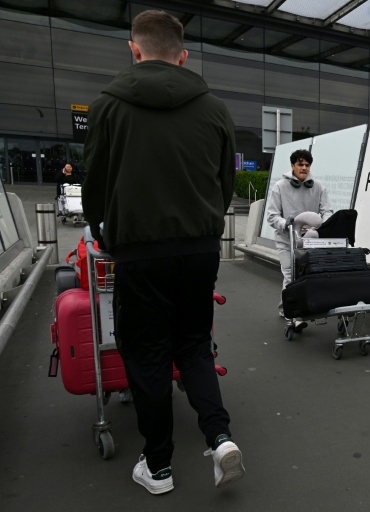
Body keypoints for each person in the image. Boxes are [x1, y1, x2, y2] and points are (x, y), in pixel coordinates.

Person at [82, 10, 244, 495]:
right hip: (200, 249)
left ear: (134, 49)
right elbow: (224, 182)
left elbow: (95, 182)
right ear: (183, 56)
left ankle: (158, 466)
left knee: (147, 354)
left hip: (139, 252)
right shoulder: (215, 108)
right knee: (193, 345)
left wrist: (103, 231)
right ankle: (219, 437)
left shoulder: (107, 106)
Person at [265, 149, 333, 322]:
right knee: (290, 275)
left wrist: (323, 225)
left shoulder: (318, 187)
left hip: (309, 240)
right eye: (300, 164)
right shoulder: (280, 186)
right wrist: (285, 223)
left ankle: (288, 307)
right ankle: (291, 312)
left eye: (307, 165)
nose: (304, 168)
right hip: (286, 239)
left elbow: (327, 211)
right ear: (292, 166)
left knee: (305, 275)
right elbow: (272, 216)